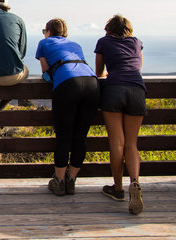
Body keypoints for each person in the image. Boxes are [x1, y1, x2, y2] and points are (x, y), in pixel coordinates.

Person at [35, 18, 99, 196]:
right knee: (80, 136)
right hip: (92, 84)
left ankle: (59, 181)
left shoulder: (44, 42)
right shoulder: (75, 44)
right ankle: (72, 181)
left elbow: (46, 72)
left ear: (48, 31)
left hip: (68, 84)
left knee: (64, 136)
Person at [95, 14, 146, 215]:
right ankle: (135, 182)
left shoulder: (103, 42)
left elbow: (99, 72)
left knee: (117, 143)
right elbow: (138, 68)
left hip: (114, 89)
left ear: (109, 28)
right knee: (132, 143)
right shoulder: (137, 43)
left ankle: (118, 189)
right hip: (136, 90)